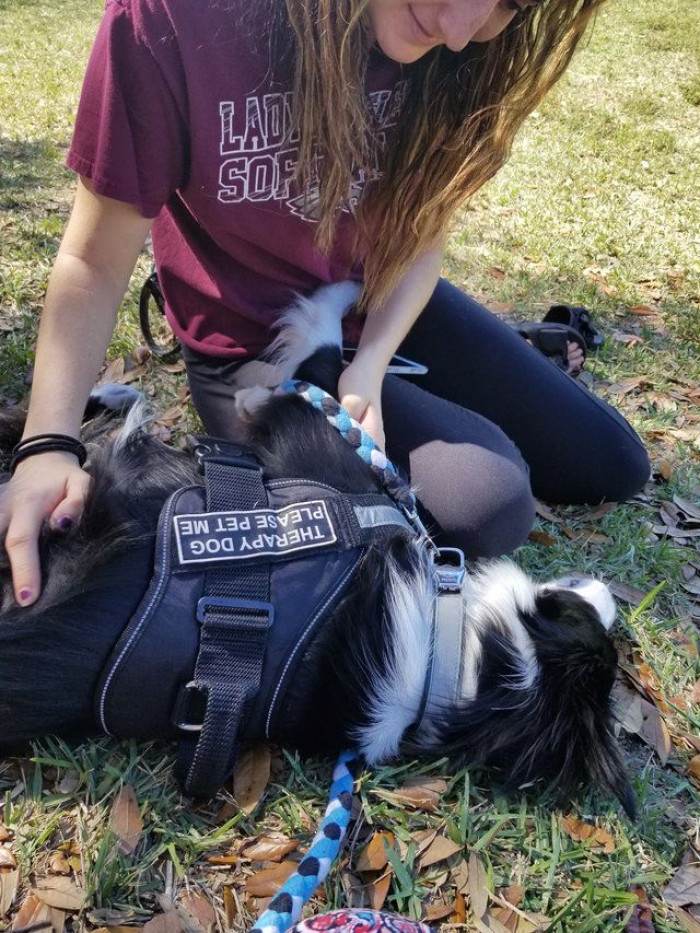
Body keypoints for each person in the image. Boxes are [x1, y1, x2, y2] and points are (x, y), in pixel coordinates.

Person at [0, 0, 650, 608]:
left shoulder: (459, 38)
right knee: (492, 502)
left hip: (379, 301)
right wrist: (47, 446)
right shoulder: (172, 18)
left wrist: (369, 363)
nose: (458, 30)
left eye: (512, 2)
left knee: (615, 463)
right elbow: (91, 263)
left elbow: (420, 237)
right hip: (254, 343)